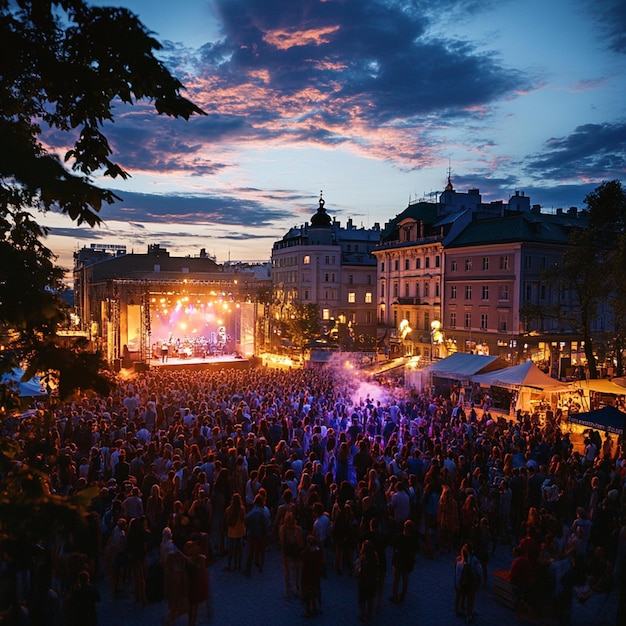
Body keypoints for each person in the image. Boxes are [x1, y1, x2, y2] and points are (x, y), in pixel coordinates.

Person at [160, 527, 189, 626]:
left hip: (167, 572)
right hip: (174, 572)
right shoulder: (170, 545)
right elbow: (172, 557)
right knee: (175, 594)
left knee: (170, 594)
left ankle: (171, 613)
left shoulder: (162, 545)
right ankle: (172, 616)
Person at [390, 519, 419, 603]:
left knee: (396, 578)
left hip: (399, 559)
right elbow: (416, 548)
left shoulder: (399, 537)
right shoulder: (413, 539)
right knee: (405, 578)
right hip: (408, 560)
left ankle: (395, 596)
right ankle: (403, 595)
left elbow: (393, 545)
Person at [279, 510, 304, 598]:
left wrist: (282, 553)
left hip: (287, 551)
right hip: (295, 550)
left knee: (287, 571)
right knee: (296, 570)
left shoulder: (282, 529)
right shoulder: (298, 529)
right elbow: (300, 543)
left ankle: (287, 588)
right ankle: (297, 587)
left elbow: (282, 543)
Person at [454, 542, 481, 622]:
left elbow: (457, 573)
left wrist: (457, 583)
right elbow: (478, 571)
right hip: (470, 582)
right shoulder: (474, 560)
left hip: (460, 582)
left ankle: (457, 610)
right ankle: (469, 614)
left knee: (459, 596)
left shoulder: (458, 560)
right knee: (470, 598)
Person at [186, 540, 210, 626]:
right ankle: (192, 621)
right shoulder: (201, 559)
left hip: (191, 585)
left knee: (191, 605)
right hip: (195, 585)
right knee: (194, 605)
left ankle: (190, 622)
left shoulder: (187, 561)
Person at [356, 539, 380, 622]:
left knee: (362, 599)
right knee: (370, 598)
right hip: (372, 580)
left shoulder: (363, 557)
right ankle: (369, 614)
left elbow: (356, 566)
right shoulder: (375, 556)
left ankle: (363, 615)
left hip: (363, 580)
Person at [300, 534, 324, 618]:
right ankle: (314, 608)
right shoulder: (319, 552)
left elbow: (303, 565)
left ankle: (308, 610)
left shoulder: (305, 553)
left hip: (307, 576)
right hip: (316, 575)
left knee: (307, 593)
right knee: (315, 591)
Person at [223, 492, 246, 572]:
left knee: (231, 549)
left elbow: (225, 521)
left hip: (231, 532)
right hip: (240, 531)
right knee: (239, 549)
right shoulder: (242, 509)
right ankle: (238, 564)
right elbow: (244, 519)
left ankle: (230, 565)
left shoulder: (228, 509)